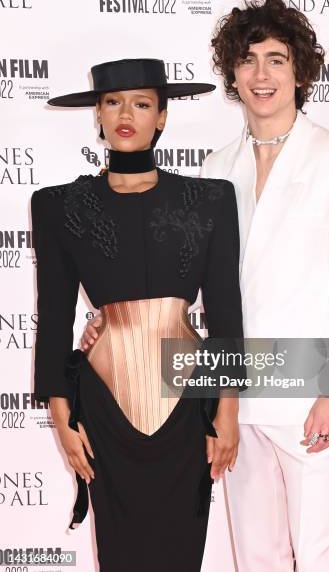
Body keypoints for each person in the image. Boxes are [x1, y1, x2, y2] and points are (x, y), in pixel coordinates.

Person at [82, 0, 329, 571]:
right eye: (248, 61)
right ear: (232, 75)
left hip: (309, 388)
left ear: (300, 72)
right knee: (256, 553)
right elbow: (187, 278)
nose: (261, 75)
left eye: (276, 60)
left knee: (316, 552)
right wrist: (119, 320)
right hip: (230, 390)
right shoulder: (215, 168)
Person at [31, 58, 245, 572]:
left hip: (189, 407)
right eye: (112, 102)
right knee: (120, 555)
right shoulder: (58, 206)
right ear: (98, 116)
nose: (126, 113)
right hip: (104, 407)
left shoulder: (211, 199)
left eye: (142, 103)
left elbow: (226, 311)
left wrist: (228, 414)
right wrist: (62, 422)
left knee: (181, 551)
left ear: (163, 117)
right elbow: (55, 321)